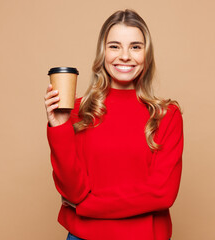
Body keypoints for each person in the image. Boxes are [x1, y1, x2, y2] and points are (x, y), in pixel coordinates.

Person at [44, 9, 183, 240]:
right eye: (115, 46)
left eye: (135, 47)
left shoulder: (167, 115)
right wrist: (60, 127)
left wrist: (88, 206)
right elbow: (72, 191)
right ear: (103, 52)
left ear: (146, 54)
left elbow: (162, 194)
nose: (125, 56)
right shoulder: (77, 111)